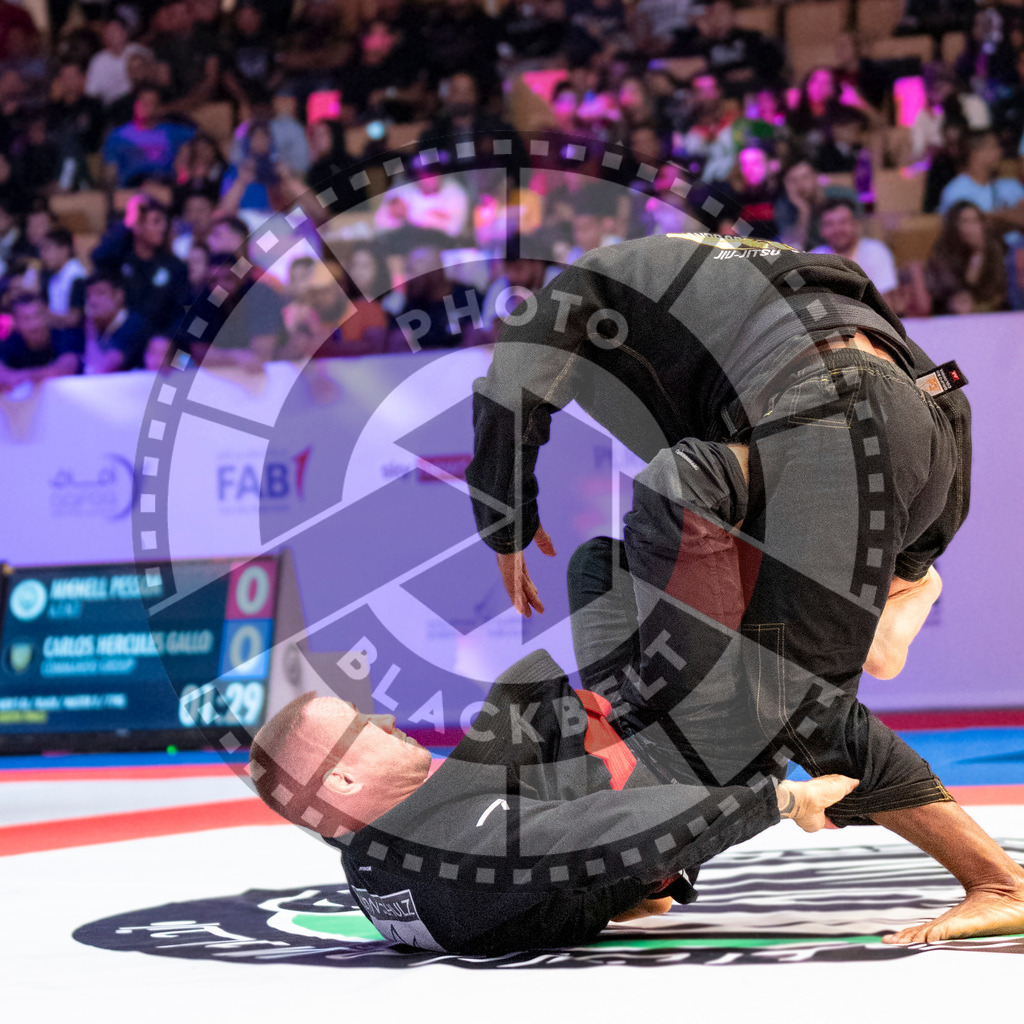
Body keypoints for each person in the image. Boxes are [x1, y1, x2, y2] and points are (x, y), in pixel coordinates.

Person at [461, 230, 1024, 946]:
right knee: (606, 569)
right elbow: (931, 387)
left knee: (788, 700)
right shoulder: (724, 273)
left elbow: (508, 390)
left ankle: (1000, 881)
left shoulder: (576, 292)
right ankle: (898, 599)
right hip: (917, 433)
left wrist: (505, 524)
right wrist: (919, 551)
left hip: (833, 421)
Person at [250, 650, 862, 954]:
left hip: (592, 825)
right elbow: (611, 828)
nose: (384, 719)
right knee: (768, 657)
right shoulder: (451, 850)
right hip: (670, 782)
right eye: (361, 724)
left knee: (589, 582)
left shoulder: (376, 856)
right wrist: (783, 800)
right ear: (343, 782)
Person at [91, 195, 189, 338]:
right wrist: (127, 224)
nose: (162, 228)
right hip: (123, 334)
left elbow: (181, 310)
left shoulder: (174, 266)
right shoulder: (118, 259)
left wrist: (168, 338)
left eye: (164, 222)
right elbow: (97, 256)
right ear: (137, 225)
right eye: (156, 222)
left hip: (159, 338)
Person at [811, 197, 900, 309]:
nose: (837, 229)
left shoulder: (876, 251)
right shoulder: (814, 259)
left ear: (856, 225)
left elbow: (886, 306)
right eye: (829, 224)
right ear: (821, 231)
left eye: (843, 222)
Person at [924, 200, 1009, 315]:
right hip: (948, 317)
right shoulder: (942, 254)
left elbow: (997, 293)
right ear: (954, 226)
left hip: (992, 316)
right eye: (965, 221)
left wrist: (979, 254)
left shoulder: (995, 251)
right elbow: (941, 294)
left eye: (976, 220)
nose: (972, 227)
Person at [102, 85, 196, 187]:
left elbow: (202, 140)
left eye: (151, 103)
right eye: (143, 102)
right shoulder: (117, 136)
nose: (145, 107)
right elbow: (111, 173)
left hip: (166, 183)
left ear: (159, 107)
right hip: (132, 186)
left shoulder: (174, 132)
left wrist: (185, 153)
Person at [774, 158, 860, 251]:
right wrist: (804, 211)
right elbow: (793, 246)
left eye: (805, 177)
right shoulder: (784, 206)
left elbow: (863, 228)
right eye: (793, 180)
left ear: (815, 177)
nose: (800, 184)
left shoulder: (842, 195)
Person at [0, 291, 82, 388]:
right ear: (16, 322)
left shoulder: (66, 337)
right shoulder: (8, 344)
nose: (34, 324)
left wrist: (21, 377)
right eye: (26, 319)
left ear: (47, 315)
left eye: (38, 316)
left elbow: (67, 367)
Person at [80, 270, 149, 374]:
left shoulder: (134, 325)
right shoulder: (88, 324)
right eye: (89, 295)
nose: (92, 301)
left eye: (100, 293)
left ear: (119, 296)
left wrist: (90, 331)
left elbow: (100, 368)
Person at [39, 226, 87, 329]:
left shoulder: (77, 276)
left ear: (64, 249)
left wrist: (42, 314)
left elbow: (75, 319)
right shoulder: (53, 275)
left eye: (47, 249)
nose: (42, 255)